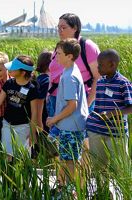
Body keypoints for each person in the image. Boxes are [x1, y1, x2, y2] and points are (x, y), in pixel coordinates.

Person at [47, 13, 100, 171]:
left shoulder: (86, 46)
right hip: (57, 101)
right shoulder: (59, 49)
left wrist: (87, 104)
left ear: (75, 28)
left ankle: (80, 183)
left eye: (64, 27)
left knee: (82, 146)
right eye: (58, 27)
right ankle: (63, 182)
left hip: (77, 103)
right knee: (60, 148)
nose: (60, 30)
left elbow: (97, 77)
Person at [46, 39, 88, 196]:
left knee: (70, 161)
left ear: (70, 56)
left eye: (59, 53)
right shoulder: (69, 70)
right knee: (66, 158)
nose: (56, 56)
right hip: (69, 125)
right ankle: (62, 188)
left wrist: (54, 119)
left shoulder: (70, 76)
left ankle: (71, 192)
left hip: (71, 126)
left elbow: (72, 105)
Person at [0, 55, 39, 161]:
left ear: (23, 72)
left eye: (13, 68)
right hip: (7, 124)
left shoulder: (32, 89)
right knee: (7, 155)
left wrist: (32, 132)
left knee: (22, 157)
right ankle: (9, 176)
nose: (9, 69)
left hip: (24, 127)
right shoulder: (9, 83)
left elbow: (35, 112)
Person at [86, 49, 132, 170]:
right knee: (98, 167)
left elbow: (130, 107)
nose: (98, 68)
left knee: (120, 168)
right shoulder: (100, 82)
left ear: (112, 64)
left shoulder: (123, 83)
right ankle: (101, 189)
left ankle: (121, 190)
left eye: (100, 65)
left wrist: (112, 113)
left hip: (116, 133)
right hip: (97, 130)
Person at [35, 50, 52, 133]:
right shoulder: (47, 81)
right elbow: (40, 102)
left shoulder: (39, 78)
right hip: (44, 118)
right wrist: (39, 122)